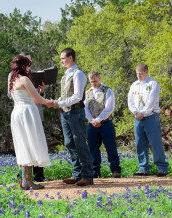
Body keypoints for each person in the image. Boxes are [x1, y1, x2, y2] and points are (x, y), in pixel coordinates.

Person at [49, 48, 93, 186]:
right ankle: (77, 174)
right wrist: (56, 101)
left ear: (71, 58)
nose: (61, 61)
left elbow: (78, 96)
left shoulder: (78, 74)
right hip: (65, 112)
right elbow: (66, 95)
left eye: (63, 58)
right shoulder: (65, 75)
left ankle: (87, 175)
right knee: (69, 143)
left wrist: (60, 103)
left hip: (75, 112)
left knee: (79, 142)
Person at [9, 55, 52, 190]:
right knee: (29, 143)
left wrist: (40, 95)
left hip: (17, 113)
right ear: (23, 66)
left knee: (22, 145)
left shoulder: (13, 80)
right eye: (27, 65)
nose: (29, 68)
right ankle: (28, 181)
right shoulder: (24, 79)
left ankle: (23, 180)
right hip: (27, 113)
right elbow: (37, 98)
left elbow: (28, 97)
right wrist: (50, 102)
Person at [128, 63, 169, 177]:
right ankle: (143, 168)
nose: (139, 76)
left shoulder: (153, 83)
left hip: (151, 116)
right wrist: (136, 112)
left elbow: (152, 101)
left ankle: (162, 168)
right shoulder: (134, 85)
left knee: (155, 143)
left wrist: (143, 113)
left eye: (141, 73)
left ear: (146, 72)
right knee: (140, 143)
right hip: (138, 117)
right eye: (137, 74)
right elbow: (130, 101)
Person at [84, 70, 121, 178]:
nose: (93, 83)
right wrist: (92, 120)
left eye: (94, 81)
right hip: (92, 124)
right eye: (91, 82)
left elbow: (109, 108)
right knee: (92, 148)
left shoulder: (107, 91)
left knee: (111, 147)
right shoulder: (88, 93)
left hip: (106, 123)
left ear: (99, 78)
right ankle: (95, 170)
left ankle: (115, 170)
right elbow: (85, 108)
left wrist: (98, 120)